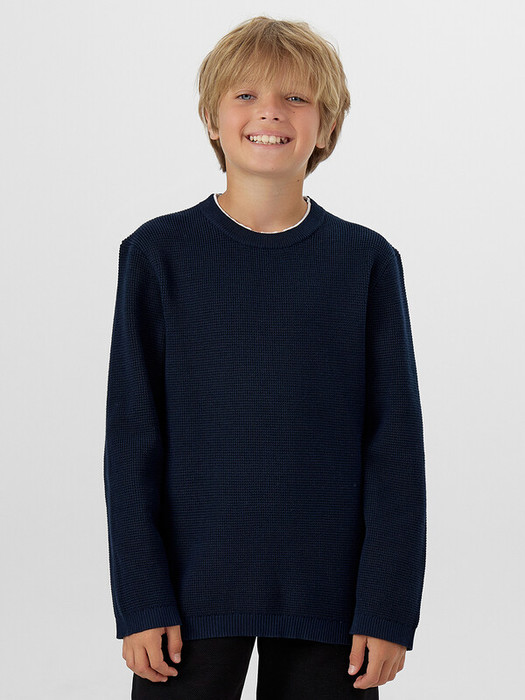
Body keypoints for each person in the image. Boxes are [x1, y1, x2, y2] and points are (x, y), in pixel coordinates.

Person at [103, 15, 427, 700]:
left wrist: (387, 608)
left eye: (295, 98)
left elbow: (394, 446)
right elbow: (132, 441)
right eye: (246, 95)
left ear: (325, 126)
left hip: (331, 598)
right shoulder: (157, 255)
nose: (270, 112)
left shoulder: (365, 261)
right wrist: (140, 601)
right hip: (188, 596)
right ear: (212, 119)